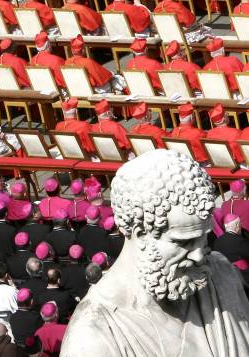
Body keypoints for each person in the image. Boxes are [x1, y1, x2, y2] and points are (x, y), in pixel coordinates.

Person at [60, 149, 249, 356]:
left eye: (203, 237)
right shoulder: (92, 338)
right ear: (138, 232)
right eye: (183, 242)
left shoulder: (221, 274)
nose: (198, 255)